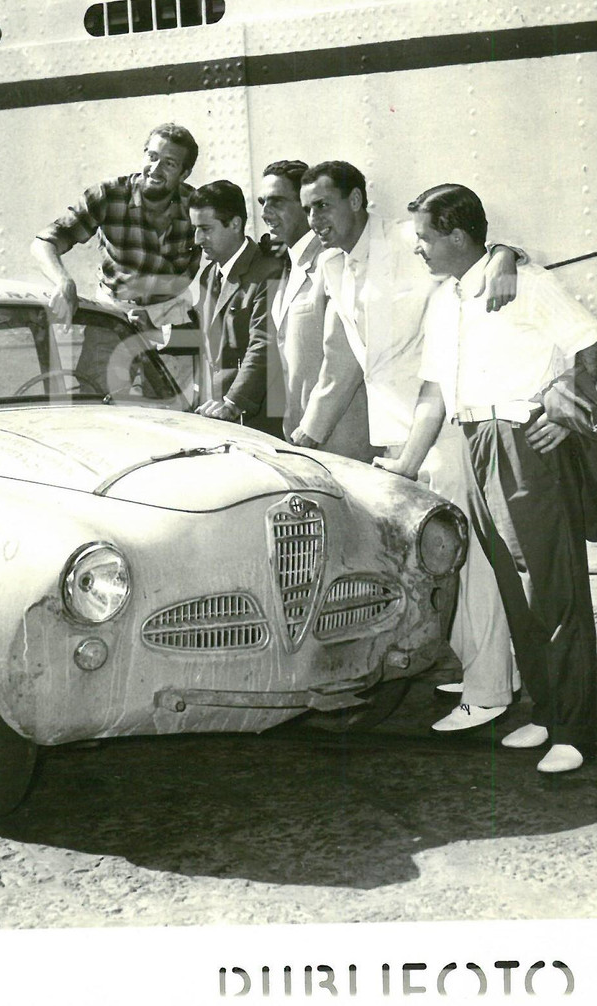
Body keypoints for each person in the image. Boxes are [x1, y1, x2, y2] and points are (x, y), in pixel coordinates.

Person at [376, 183, 597, 773]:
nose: (419, 250)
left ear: (457, 235)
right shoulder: (445, 299)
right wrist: (405, 463)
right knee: (513, 589)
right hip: (476, 442)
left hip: (523, 443)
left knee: (551, 592)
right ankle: (548, 711)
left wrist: (568, 411)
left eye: (425, 238)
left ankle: (576, 730)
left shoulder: (523, 283)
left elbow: (591, 340)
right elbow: (433, 393)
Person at [293, 161, 523, 731]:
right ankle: (487, 667)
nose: (313, 218)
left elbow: (482, 253)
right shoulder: (329, 264)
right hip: (396, 437)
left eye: (323, 205)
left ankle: (490, 690)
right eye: (307, 208)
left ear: (356, 200)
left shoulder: (406, 239)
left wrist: (505, 254)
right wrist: (305, 435)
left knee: (472, 563)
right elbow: (343, 362)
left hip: (442, 425)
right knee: (443, 566)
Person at [31, 123, 199, 328]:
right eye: (152, 156)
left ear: (184, 174)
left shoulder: (196, 206)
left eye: (169, 164)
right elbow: (43, 243)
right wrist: (64, 281)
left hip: (172, 315)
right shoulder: (108, 195)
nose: (155, 169)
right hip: (116, 312)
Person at [258, 160, 371, 457]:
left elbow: (342, 358)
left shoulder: (333, 258)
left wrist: (312, 429)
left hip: (340, 435)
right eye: (262, 202)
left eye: (278, 202)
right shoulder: (287, 262)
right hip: (302, 436)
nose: (265, 212)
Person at [189, 180, 282, 436]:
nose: (197, 240)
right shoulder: (210, 274)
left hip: (252, 418)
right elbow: (207, 335)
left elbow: (264, 344)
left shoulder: (267, 272)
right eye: (195, 229)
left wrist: (233, 402)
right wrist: (153, 331)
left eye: (205, 229)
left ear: (235, 224)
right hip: (217, 413)